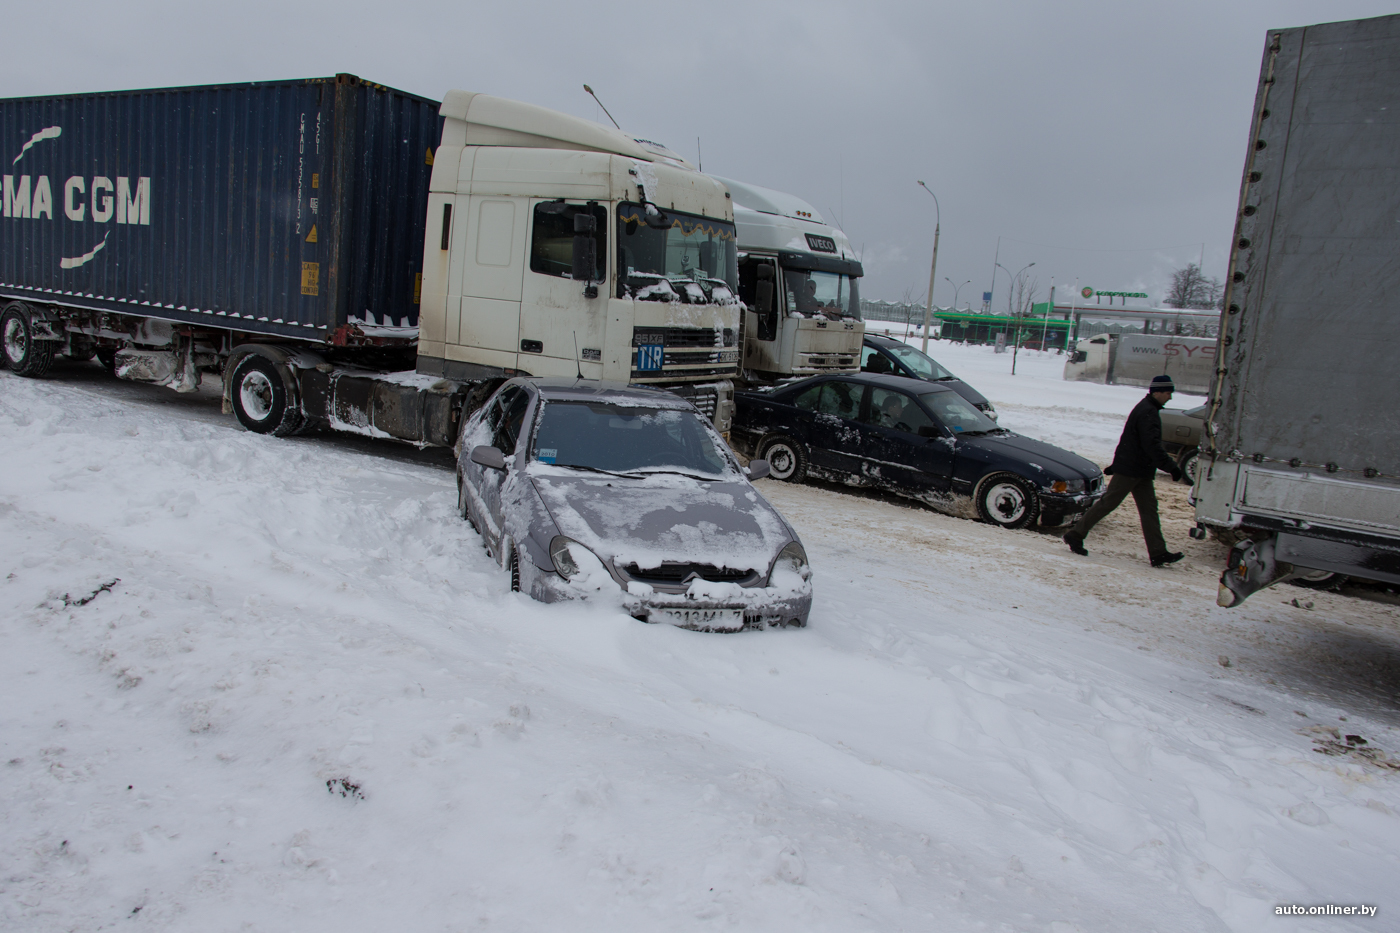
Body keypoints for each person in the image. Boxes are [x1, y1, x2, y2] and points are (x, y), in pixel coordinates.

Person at [1064, 374, 1185, 566]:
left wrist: (1116, 463)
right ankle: (1075, 534)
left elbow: (1129, 439)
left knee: (1149, 510)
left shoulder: (1146, 408)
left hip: (1140, 470)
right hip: (1132, 470)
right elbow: (1151, 445)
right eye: (1169, 393)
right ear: (1159, 392)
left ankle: (1158, 552)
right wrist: (1171, 467)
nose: (1170, 397)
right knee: (1108, 503)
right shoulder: (1147, 412)